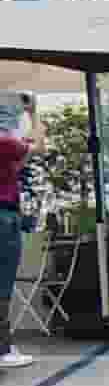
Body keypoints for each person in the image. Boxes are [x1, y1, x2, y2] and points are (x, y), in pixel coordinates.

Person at [0, 97, 32, 367]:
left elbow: (17, 165)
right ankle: (2, 348)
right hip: (4, 217)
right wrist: (34, 112)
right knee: (3, 285)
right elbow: (35, 146)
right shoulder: (6, 142)